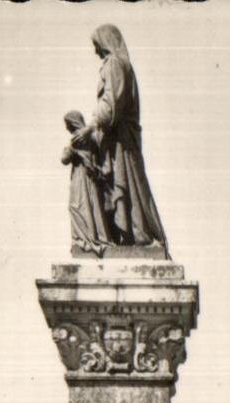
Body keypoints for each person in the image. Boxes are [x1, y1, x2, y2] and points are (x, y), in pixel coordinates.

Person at [77, 25, 167, 249]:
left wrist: (90, 127)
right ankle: (132, 237)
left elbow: (111, 102)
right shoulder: (122, 65)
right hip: (117, 140)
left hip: (121, 143)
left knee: (129, 187)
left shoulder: (115, 64)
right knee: (127, 189)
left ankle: (142, 237)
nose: (97, 53)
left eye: (97, 46)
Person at [61, 111, 110, 254]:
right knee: (92, 206)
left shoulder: (77, 138)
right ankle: (95, 236)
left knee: (76, 206)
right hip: (92, 177)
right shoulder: (92, 138)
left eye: (67, 124)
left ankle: (85, 239)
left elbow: (64, 159)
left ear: (72, 123)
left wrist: (69, 149)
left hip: (80, 177)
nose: (66, 128)